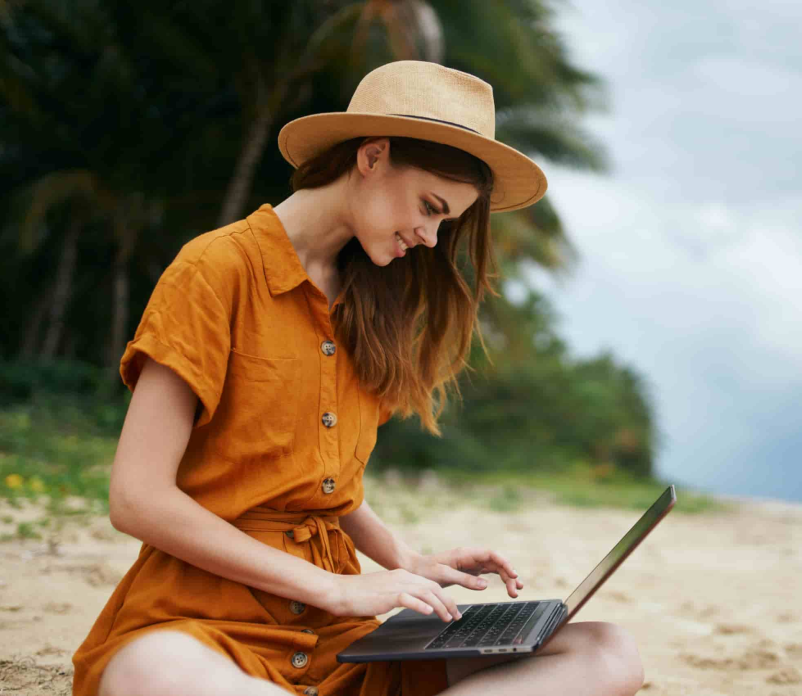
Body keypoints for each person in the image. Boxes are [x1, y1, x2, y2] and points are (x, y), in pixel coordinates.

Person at [72, 61, 644, 696]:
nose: (430, 238)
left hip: (337, 643)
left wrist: (404, 560)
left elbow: (319, 483)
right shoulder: (216, 268)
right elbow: (137, 497)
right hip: (204, 627)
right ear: (372, 156)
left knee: (606, 650)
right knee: (150, 672)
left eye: (445, 223)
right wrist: (335, 588)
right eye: (430, 207)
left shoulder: (369, 302)